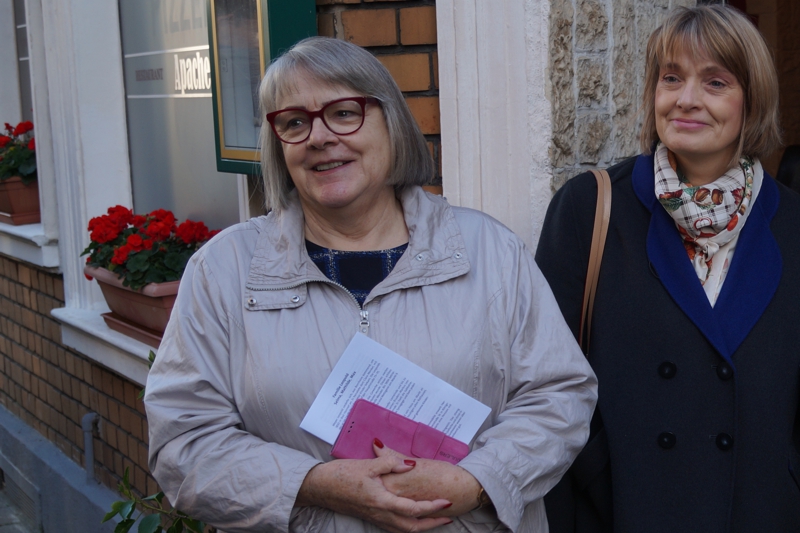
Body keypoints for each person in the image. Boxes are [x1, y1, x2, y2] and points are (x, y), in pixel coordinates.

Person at [145, 36, 597, 533]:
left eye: (343, 113)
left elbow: (560, 395)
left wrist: (478, 481)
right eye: (294, 122)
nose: (319, 137)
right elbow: (183, 444)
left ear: (392, 123)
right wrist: (313, 483)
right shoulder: (223, 270)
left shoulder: (488, 250)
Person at [536, 5, 800, 533]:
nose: (686, 99)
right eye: (671, 78)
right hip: (627, 509)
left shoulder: (793, 224)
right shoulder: (590, 207)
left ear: (752, 101)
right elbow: (545, 378)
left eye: (715, 82)